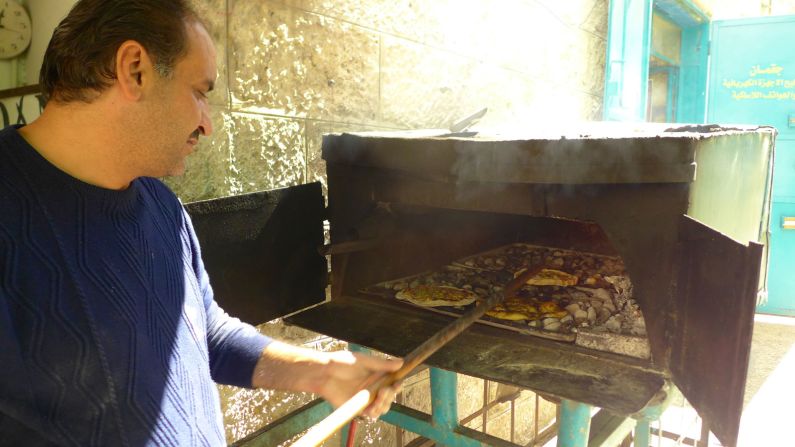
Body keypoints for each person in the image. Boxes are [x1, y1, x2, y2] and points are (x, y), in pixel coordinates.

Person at [0, 0, 402, 445]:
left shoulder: (164, 209)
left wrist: (321, 372)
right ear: (135, 69)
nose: (207, 125)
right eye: (200, 92)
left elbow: (203, 331)